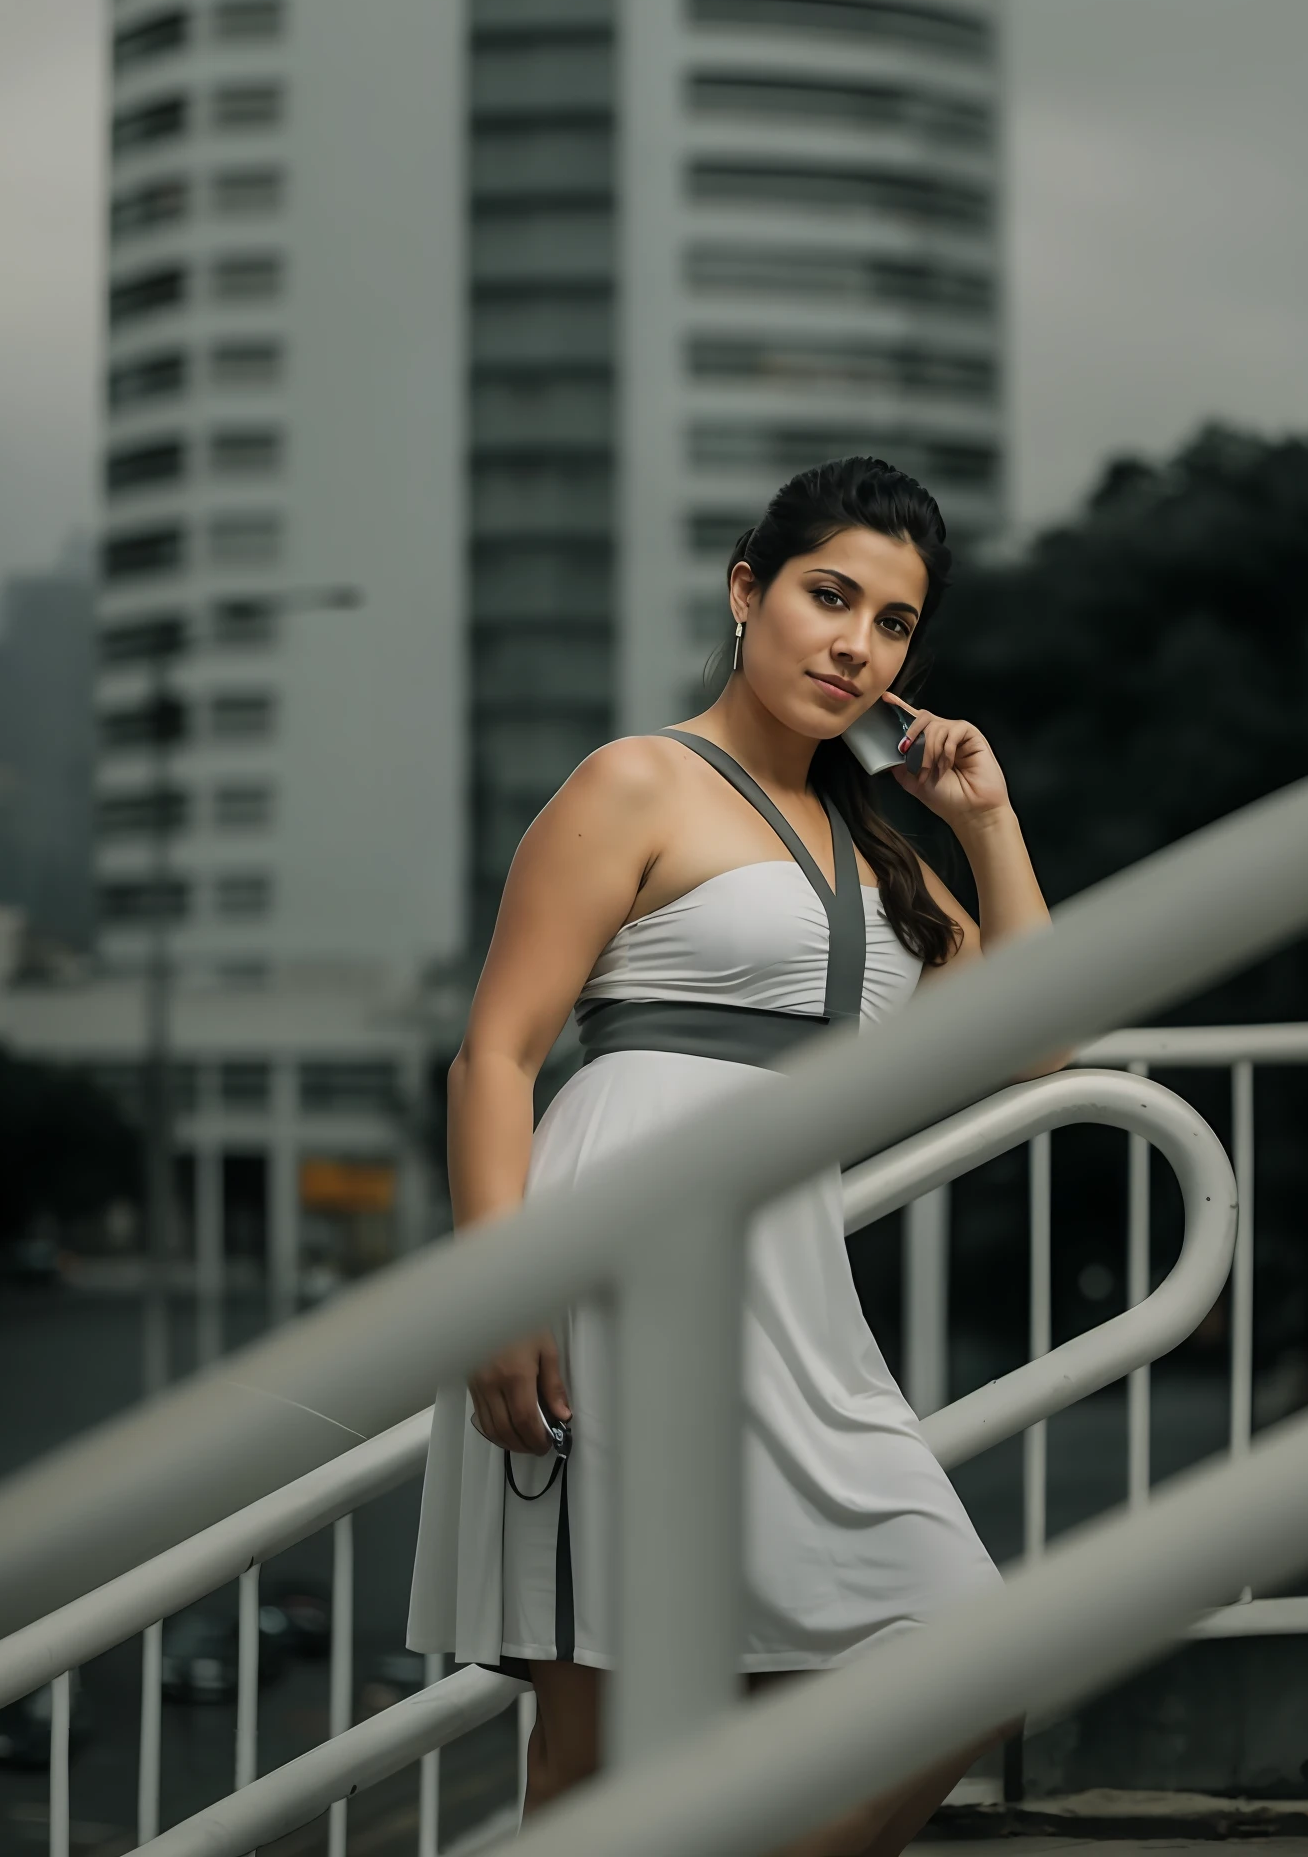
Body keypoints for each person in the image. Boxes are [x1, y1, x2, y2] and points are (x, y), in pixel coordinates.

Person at [407, 456, 1053, 1855]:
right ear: (747, 591)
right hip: (612, 1262)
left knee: (971, 1651)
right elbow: (499, 1056)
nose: (856, 644)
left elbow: (1037, 1041)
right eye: (831, 596)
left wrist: (988, 822)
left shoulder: (877, 849)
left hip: (794, 1298)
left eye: (892, 624)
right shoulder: (635, 782)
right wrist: (500, 1291)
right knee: (595, 1743)